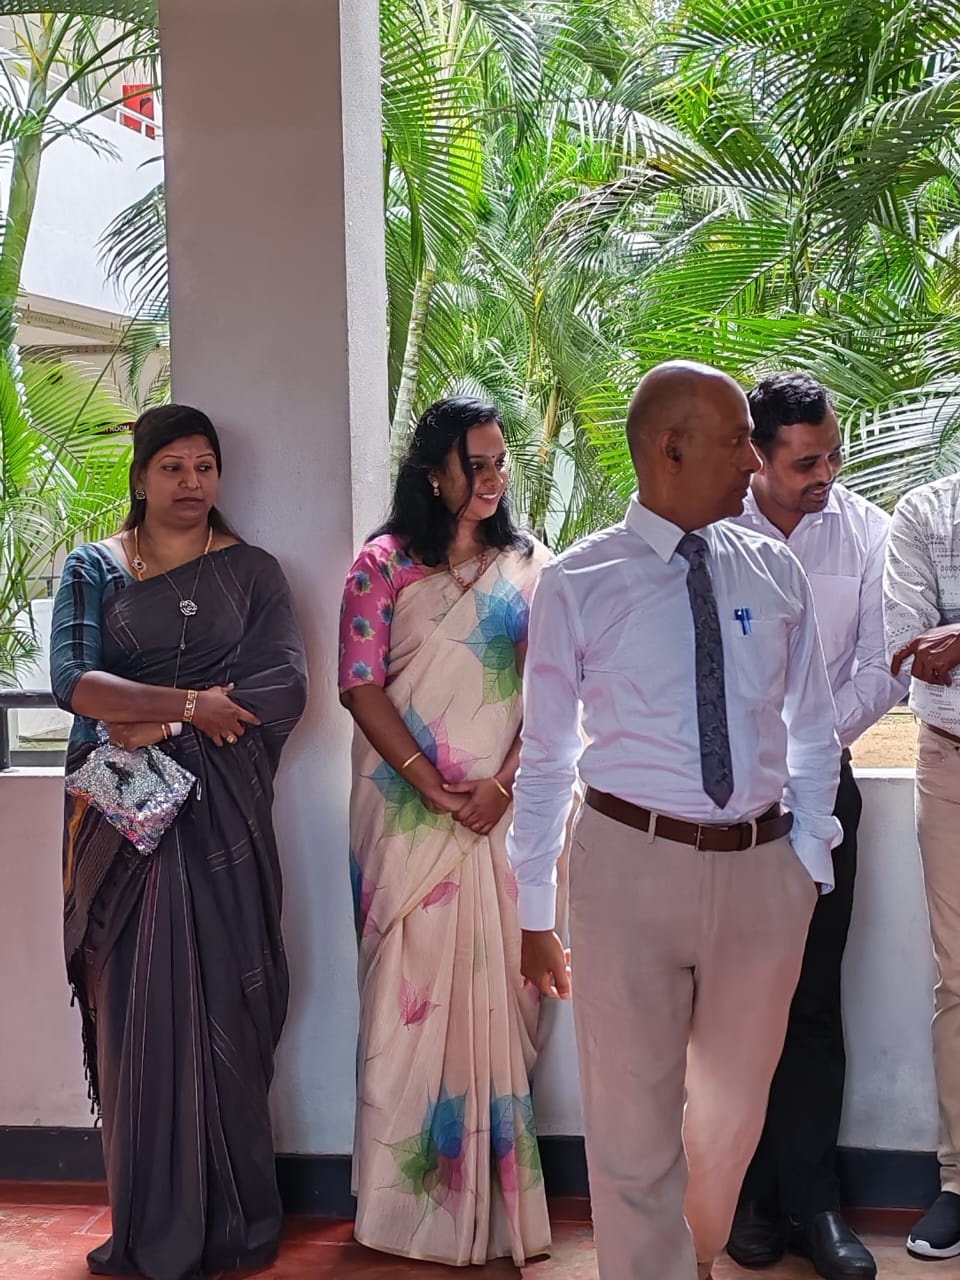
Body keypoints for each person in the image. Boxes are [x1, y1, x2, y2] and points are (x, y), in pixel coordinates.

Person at [508, 361, 843, 1280]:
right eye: (737, 442)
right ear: (670, 448)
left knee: (730, 1118)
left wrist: (808, 859)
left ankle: (694, 1253)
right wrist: (534, 910)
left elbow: (812, 725)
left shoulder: (772, 568)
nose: (753, 462)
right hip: (628, 864)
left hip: (762, 871)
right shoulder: (579, 581)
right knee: (629, 1119)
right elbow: (547, 756)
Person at [50, 405, 308, 1280]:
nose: (191, 483)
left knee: (230, 998)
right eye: (172, 467)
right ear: (141, 477)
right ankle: (152, 1223)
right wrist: (193, 705)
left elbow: (282, 687)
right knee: (136, 1009)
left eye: (204, 466)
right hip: (126, 827)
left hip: (223, 821)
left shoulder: (253, 573)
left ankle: (237, 1221)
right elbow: (75, 683)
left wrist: (158, 720)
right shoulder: (94, 568)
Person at [339, 396, 552, 1266]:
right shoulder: (382, 565)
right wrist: (431, 785)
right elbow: (360, 687)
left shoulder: (530, 566)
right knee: (406, 1000)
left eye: (501, 463)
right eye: (477, 464)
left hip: (503, 817)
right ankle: (401, 1213)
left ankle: (497, 1212)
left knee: (505, 991)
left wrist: (504, 785)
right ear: (435, 473)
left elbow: (557, 693)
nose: (494, 479)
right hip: (404, 816)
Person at [727, 373, 904, 1280]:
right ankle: (746, 1198)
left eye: (832, 455)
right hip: (726, 805)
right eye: (804, 462)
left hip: (824, 791)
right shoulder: (711, 530)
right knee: (733, 1004)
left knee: (812, 1001)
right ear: (755, 456)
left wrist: (806, 744)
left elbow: (885, 665)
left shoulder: (867, 531)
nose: (825, 474)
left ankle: (815, 1204)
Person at [884, 472, 960, 1261]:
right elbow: (911, 649)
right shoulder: (925, 511)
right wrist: (939, 643)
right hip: (950, 762)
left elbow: (945, 648)